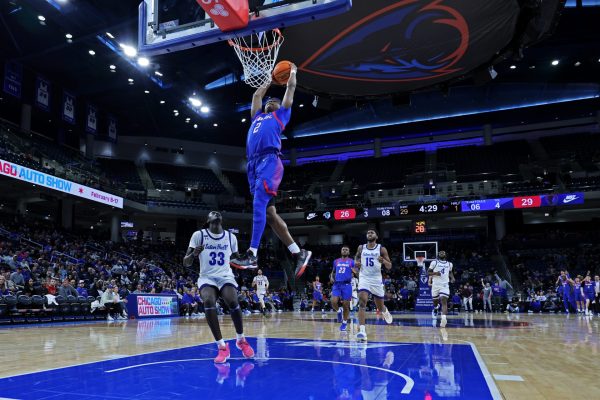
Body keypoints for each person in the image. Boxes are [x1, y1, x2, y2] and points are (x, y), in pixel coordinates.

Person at [229, 64, 311, 277]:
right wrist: (269, 79)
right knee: (270, 214)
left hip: (269, 161)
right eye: (269, 101)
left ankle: (252, 253)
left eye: (274, 101)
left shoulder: (281, 115)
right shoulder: (256, 117)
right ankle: (298, 252)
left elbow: (290, 89)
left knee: (258, 203)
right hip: (253, 165)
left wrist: (292, 72)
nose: (270, 101)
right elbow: (257, 94)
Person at [183, 211, 254, 364]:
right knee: (208, 301)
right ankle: (222, 346)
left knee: (233, 301)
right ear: (208, 221)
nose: (216, 218)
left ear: (221, 221)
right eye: (213, 219)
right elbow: (186, 262)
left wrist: (247, 259)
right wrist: (194, 254)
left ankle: (240, 339)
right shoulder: (199, 235)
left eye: (218, 218)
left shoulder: (230, 237)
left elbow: (236, 261)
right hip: (207, 277)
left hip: (225, 276)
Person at [354, 229, 393, 342]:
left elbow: (389, 266)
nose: (369, 234)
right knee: (362, 301)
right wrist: (356, 263)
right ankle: (362, 331)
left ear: (376, 236)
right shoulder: (361, 247)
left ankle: (385, 312)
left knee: (380, 307)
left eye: (372, 232)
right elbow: (356, 257)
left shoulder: (381, 248)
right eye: (368, 232)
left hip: (376, 279)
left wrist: (384, 261)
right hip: (364, 278)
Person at [329, 246, 354, 331]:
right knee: (333, 302)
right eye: (343, 249)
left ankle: (344, 322)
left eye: (346, 249)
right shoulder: (336, 261)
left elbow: (356, 271)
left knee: (346, 305)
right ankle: (339, 311)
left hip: (347, 285)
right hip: (337, 284)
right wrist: (331, 277)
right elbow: (333, 272)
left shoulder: (351, 261)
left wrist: (354, 272)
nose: (344, 251)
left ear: (349, 252)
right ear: (341, 251)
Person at [428, 251, 455, 328]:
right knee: (435, 302)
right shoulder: (434, 262)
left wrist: (452, 278)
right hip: (435, 285)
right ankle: (436, 308)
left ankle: (443, 318)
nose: (442, 253)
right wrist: (435, 273)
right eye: (440, 253)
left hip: (444, 285)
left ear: (446, 255)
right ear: (438, 255)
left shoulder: (450, 264)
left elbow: (450, 272)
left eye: (443, 253)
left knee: (444, 300)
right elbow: (428, 272)